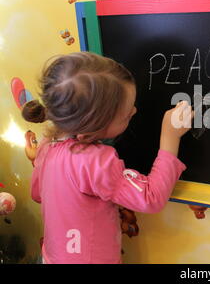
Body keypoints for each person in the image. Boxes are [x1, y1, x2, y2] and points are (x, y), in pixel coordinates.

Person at [22, 52, 193, 264]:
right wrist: (170, 137)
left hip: (51, 257)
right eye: (126, 115)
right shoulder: (95, 161)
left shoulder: (46, 147)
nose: (135, 110)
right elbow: (151, 197)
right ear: (88, 133)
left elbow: (37, 193)